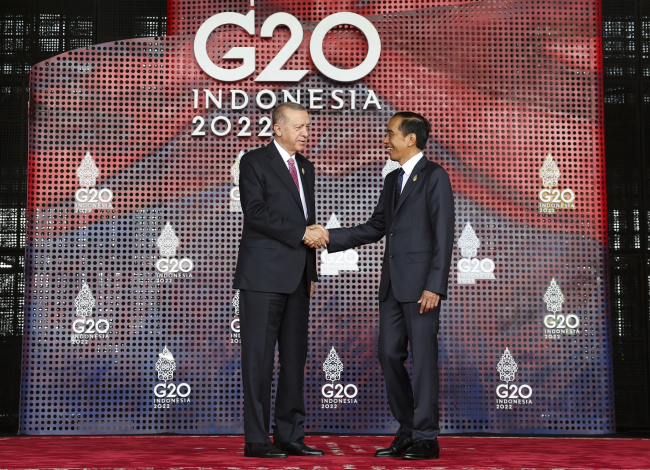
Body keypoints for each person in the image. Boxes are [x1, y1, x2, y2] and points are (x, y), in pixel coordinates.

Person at [307, 112, 454, 460]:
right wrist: (329, 236)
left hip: (422, 289)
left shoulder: (434, 176)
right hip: (391, 287)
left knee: (424, 362)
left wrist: (434, 286)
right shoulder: (392, 179)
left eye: (390, 134)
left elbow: (444, 233)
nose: (385, 140)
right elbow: (376, 227)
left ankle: (427, 438)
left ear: (410, 139)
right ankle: (407, 431)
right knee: (388, 354)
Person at [234, 102, 328, 458]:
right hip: (263, 276)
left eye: (308, 126)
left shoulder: (306, 167)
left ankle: (290, 434)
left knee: (294, 359)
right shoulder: (254, 162)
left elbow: (308, 220)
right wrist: (302, 234)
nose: (306, 133)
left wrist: (311, 271)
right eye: (299, 126)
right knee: (258, 360)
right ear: (278, 128)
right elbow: (256, 213)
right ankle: (258, 439)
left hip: (299, 277)